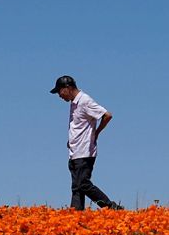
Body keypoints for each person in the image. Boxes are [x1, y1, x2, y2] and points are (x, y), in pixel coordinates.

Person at [50, 75, 123, 210]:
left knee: (83, 183)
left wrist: (96, 133)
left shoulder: (85, 101)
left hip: (84, 151)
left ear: (68, 88)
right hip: (74, 151)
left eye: (60, 91)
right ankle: (76, 217)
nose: (59, 95)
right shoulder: (74, 102)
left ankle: (111, 207)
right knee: (77, 187)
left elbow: (107, 115)